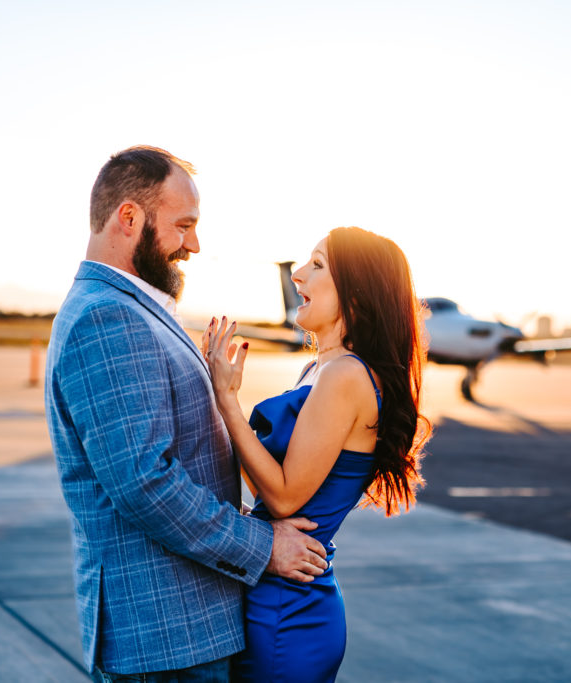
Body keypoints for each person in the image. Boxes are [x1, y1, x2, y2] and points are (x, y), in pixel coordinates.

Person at [44, 145, 330, 682]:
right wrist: (264, 545)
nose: (194, 244)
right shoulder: (107, 318)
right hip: (164, 638)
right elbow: (144, 483)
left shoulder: (131, 308)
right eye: (184, 225)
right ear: (129, 218)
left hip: (183, 630)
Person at [203, 226, 431, 683]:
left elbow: (286, 498)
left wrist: (226, 400)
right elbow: (268, 485)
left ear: (357, 293)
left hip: (289, 609)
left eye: (318, 265)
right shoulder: (319, 368)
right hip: (277, 588)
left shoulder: (345, 375)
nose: (300, 275)